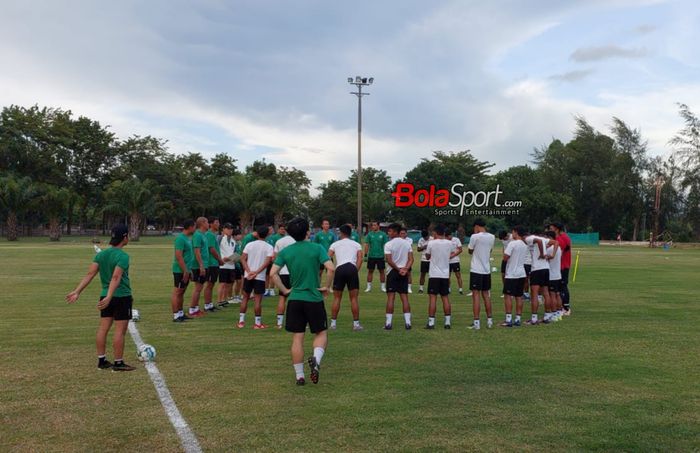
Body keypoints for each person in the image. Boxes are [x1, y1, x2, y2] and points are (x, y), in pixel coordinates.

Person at [270, 217, 334, 385]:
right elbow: (331, 268)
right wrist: (326, 287)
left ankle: (299, 376)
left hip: (295, 299)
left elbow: (272, 273)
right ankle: (316, 359)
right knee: (321, 333)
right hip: (314, 297)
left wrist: (284, 290)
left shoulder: (286, 251)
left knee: (297, 338)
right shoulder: (317, 247)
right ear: (308, 232)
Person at [66, 224, 135, 371]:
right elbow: (116, 277)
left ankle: (102, 361)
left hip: (104, 296)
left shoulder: (100, 255)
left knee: (103, 329)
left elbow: (90, 274)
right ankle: (118, 363)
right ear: (124, 237)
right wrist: (110, 296)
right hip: (120, 296)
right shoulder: (123, 256)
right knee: (119, 331)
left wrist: (77, 291)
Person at [328, 224, 364, 331]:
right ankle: (356, 324)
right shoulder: (356, 244)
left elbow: (327, 256)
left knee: (337, 298)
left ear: (341, 233)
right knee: (353, 298)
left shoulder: (335, 244)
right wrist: (355, 270)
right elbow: (360, 258)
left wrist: (332, 268)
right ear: (350, 233)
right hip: (352, 268)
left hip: (340, 269)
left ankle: (333, 324)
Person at [238, 226, 274, 329]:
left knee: (245, 297)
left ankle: (241, 322)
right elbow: (267, 262)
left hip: (248, 276)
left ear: (257, 234)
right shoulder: (269, 247)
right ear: (267, 235)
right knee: (258, 300)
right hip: (260, 277)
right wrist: (256, 272)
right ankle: (257, 323)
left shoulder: (249, 245)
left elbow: (242, 259)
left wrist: (249, 271)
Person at [383, 223, 414, 330]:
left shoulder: (388, 244)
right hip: (403, 272)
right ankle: (408, 323)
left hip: (393, 271)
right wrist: (405, 269)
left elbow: (389, 260)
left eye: (390, 231)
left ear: (395, 232)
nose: (389, 233)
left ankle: (388, 323)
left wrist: (398, 269)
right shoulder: (407, 244)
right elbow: (411, 259)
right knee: (404, 297)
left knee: (391, 297)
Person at [424, 225, 454, 329]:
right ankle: (447, 322)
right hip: (445, 274)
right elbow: (452, 253)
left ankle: (431, 322)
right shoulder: (450, 243)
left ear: (436, 233)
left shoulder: (431, 243)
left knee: (433, 298)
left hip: (434, 274)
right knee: (445, 297)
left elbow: (427, 256)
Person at [467, 219, 495, 330]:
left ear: (477, 226)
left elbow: (470, 250)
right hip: (486, 270)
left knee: (476, 296)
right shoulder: (492, 237)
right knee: (486, 296)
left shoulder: (475, 236)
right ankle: (489, 321)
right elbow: (490, 250)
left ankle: (476, 323)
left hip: (476, 269)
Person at [500, 226, 528, 327]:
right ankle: (518, 319)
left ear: (516, 232)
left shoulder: (512, 243)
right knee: (519, 296)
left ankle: (508, 320)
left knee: (508, 296)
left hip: (512, 273)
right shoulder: (525, 245)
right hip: (521, 273)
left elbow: (505, 257)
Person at [523, 232, 551, 325]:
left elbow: (538, 241)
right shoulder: (542, 238)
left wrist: (542, 253)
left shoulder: (528, 238)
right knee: (546, 293)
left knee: (534, 293)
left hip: (537, 269)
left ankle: (534, 319)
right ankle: (547, 317)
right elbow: (555, 242)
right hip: (546, 268)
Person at [171, 219, 195, 322]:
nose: (195, 229)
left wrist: (190, 270)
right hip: (180, 270)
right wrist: (185, 270)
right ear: (190, 227)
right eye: (194, 226)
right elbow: (179, 256)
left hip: (186, 270)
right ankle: (176, 315)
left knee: (182, 292)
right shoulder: (180, 239)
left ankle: (181, 313)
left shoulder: (187, 238)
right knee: (177, 292)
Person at [273, 229, 296, 329]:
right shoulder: (297, 241)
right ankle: (299, 321)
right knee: (297, 297)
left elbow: (275, 257)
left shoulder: (279, 241)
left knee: (282, 298)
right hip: (295, 272)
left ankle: (279, 323)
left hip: (283, 272)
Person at [188, 217, 210, 318]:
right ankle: (192, 309)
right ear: (202, 223)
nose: (208, 224)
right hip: (198, 265)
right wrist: (201, 265)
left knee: (200, 287)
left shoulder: (203, 235)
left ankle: (195, 308)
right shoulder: (197, 235)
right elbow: (197, 251)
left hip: (204, 264)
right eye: (207, 222)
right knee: (198, 287)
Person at [549, 222, 572, 315]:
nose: (550, 230)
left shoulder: (561, 238)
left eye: (551, 228)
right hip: (561, 266)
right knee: (559, 287)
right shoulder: (562, 237)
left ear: (556, 229)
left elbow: (559, 253)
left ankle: (566, 308)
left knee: (562, 286)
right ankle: (561, 307)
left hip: (562, 266)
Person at [204, 217, 225, 312]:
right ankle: (207, 305)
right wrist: (219, 259)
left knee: (212, 284)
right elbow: (211, 249)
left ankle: (210, 304)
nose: (218, 224)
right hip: (211, 263)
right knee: (209, 284)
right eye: (216, 222)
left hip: (214, 263)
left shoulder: (213, 234)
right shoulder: (210, 235)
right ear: (211, 224)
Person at [364, 221, 388, 292]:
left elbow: (385, 245)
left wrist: (386, 255)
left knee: (382, 271)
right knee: (370, 271)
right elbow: (367, 245)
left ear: (378, 226)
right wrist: (365, 255)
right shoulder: (369, 234)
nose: (373, 227)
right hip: (371, 256)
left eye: (374, 225)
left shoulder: (383, 234)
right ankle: (368, 287)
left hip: (380, 256)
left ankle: (383, 287)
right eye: (372, 225)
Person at [217, 223, 237, 307]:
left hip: (231, 265)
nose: (230, 230)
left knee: (229, 284)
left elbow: (234, 252)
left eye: (231, 229)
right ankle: (219, 300)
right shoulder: (220, 238)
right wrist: (221, 258)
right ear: (224, 229)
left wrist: (235, 258)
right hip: (223, 265)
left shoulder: (233, 241)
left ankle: (224, 300)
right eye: (228, 229)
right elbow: (215, 249)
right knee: (222, 283)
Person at [545, 230, 564, 322]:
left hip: (551, 275)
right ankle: (559, 312)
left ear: (550, 238)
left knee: (551, 295)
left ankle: (554, 314)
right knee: (557, 294)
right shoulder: (559, 248)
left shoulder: (549, 249)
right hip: (558, 274)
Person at [446, 230, 464, 295]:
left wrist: (453, 255)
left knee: (458, 275)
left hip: (455, 261)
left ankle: (460, 289)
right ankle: (448, 289)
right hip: (447, 262)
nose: (448, 238)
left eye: (449, 236)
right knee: (447, 276)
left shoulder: (456, 240)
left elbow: (460, 249)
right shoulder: (445, 241)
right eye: (447, 237)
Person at [399, 227, 415, 293]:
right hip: (399, 258)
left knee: (408, 273)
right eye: (401, 233)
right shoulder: (397, 240)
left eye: (404, 233)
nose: (402, 235)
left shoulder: (409, 240)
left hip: (407, 259)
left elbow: (408, 247)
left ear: (406, 234)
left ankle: (409, 288)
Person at [498, 230, 512, 299]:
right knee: (503, 274)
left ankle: (512, 292)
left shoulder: (512, 237)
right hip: (505, 258)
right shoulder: (503, 239)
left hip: (512, 260)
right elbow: (504, 247)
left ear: (507, 235)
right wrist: (504, 255)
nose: (503, 240)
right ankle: (506, 290)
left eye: (504, 238)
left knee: (511, 276)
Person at [231, 229, 244, 303]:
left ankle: (237, 296)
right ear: (235, 236)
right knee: (233, 281)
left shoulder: (240, 243)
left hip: (240, 264)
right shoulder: (233, 243)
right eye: (239, 234)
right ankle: (231, 297)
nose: (241, 236)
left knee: (240, 281)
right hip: (234, 264)